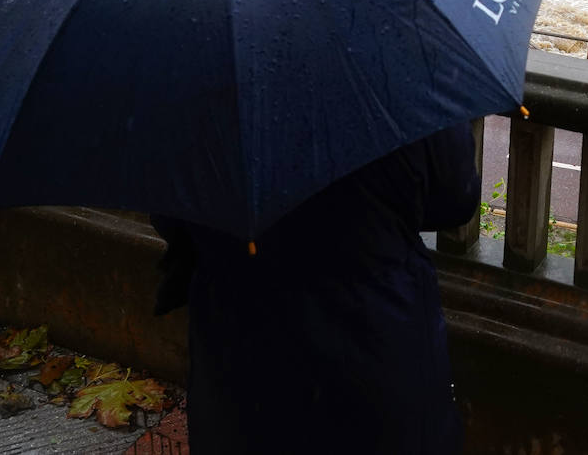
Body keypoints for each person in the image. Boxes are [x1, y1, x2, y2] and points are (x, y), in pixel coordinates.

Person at [152, 121, 480, 454]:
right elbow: (455, 200)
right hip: (377, 350)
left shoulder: (195, 101)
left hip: (238, 362)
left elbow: (170, 215)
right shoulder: (404, 88)